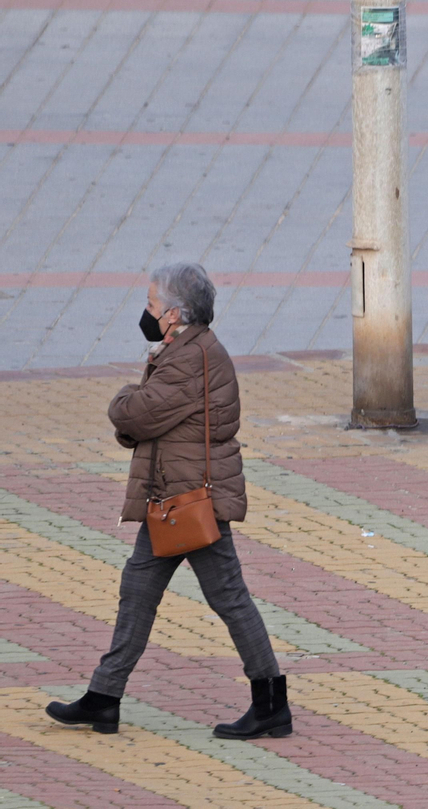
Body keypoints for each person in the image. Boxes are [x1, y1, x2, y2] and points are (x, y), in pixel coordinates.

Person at [45, 263, 291, 740]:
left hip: (191, 503)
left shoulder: (188, 360)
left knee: (230, 599)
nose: (146, 311)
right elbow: (147, 422)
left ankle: (270, 703)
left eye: (152, 305)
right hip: (171, 498)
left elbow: (135, 413)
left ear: (175, 313)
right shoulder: (187, 350)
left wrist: (123, 401)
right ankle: (104, 698)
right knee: (138, 591)